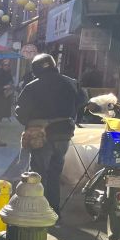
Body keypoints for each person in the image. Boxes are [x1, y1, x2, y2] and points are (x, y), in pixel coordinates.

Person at [15, 53, 88, 215]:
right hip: (63, 135)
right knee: (55, 174)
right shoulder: (71, 82)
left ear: (35, 69)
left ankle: (37, 212)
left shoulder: (32, 86)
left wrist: (31, 122)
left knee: (37, 175)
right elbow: (83, 100)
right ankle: (53, 210)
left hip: (40, 136)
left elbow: (20, 111)